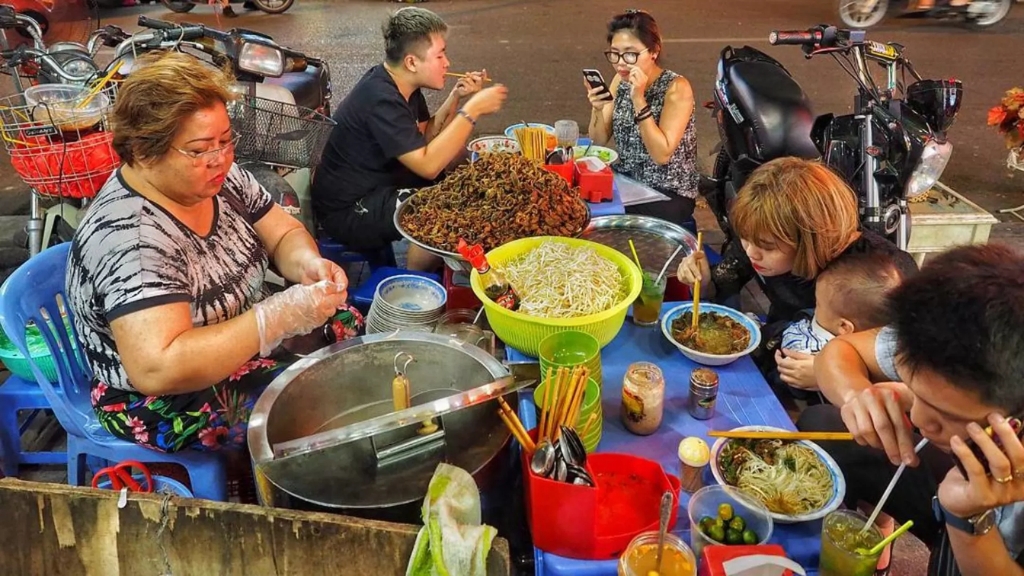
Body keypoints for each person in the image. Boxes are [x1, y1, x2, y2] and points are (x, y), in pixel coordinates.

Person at [66, 51, 352, 453]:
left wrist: (308, 265)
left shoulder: (220, 178)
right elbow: (158, 366)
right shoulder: (130, 236)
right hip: (158, 396)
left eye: (225, 141)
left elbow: (282, 232)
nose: (221, 159)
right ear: (145, 152)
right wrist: (274, 318)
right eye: (200, 149)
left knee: (343, 323)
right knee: (308, 400)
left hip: (238, 335)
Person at [801, 244, 1024, 575]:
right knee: (823, 422)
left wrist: (968, 520)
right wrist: (858, 397)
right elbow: (842, 350)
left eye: (946, 413)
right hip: (960, 487)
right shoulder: (956, 333)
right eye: (915, 391)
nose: (917, 419)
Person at [676, 157, 917, 390]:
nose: (751, 252)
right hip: (778, 353)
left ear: (810, 239)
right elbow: (724, 283)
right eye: (744, 238)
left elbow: (913, 368)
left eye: (767, 246)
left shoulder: (885, 275)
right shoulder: (759, 234)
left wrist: (834, 373)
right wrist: (704, 281)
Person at [312, 7, 508, 271]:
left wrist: (456, 97)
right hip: (349, 209)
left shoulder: (404, 85)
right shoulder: (380, 98)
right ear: (412, 62)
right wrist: (472, 110)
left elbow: (425, 137)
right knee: (438, 209)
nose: (447, 63)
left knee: (459, 163)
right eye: (440, 55)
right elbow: (428, 166)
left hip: (383, 181)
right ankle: (418, 285)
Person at [583, 9, 699, 229]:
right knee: (574, 201)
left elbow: (661, 154)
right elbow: (598, 140)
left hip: (668, 192)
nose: (621, 63)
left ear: (653, 51)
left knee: (594, 220)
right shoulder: (620, 79)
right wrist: (597, 109)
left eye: (630, 54)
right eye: (614, 53)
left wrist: (639, 99)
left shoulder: (676, 88)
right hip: (627, 182)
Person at [778, 249, 915, 379]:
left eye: (818, 304)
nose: (815, 307)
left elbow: (792, 369)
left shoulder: (812, 349)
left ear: (844, 326)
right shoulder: (900, 346)